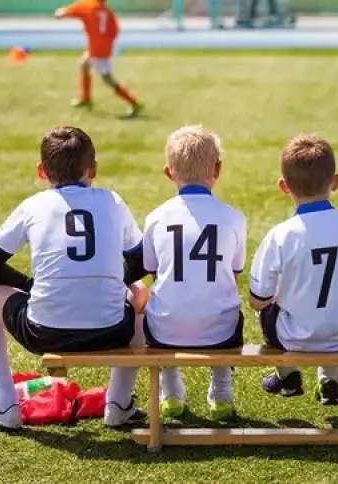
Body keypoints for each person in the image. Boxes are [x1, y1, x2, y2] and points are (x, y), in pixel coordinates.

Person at [0, 126, 148, 429]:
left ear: (42, 171)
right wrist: (119, 282)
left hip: (44, 331)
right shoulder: (112, 201)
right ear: (93, 168)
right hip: (111, 331)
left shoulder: (33, 206)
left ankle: (4, 406)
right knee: (142, 294)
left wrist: (28, 286)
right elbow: (142, 260)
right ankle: (118, 404)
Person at [249, 135, 338, 406]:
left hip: (295, 338)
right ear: (335, 181)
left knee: (268, 305)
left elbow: (257, 300)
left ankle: (287, 376)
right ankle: (330, 381)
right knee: (336, 299)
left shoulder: (280, 235)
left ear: (283, 186)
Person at [142, 126, 247, 421]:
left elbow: (152, 271)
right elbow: (234, 272)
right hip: (220, 330)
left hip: (166, 329)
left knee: (156, 301)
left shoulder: (156, 217)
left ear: (168, 172)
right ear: (218, 169)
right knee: (228, 305)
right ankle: (221, 391)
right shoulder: (233, 216)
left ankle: (171, 392)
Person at [54, 0, 142, 118]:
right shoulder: (107, 10)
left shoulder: (86, 5)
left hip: (97, 49)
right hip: (104, 47)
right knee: (84, 64)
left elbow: (62, 13)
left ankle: (133, 102)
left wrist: (59, 13)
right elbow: (115, 30)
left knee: (107, 79)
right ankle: (86, 98)